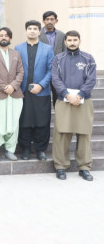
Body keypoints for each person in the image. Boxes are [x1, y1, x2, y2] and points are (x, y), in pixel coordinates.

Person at [52, 31, 97, 181]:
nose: (72, 42)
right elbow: (55, 78)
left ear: (79, 41)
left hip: (83, 100)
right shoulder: (58, 59)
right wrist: (66, 94)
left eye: (75, 40)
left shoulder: (88, 58)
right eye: (69, 40)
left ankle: (84, 167)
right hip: (64, 99)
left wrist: (80, 95)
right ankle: (60, 166)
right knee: (62, 134)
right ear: (65, 42)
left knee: (84, 134)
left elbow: (91, 79)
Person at [15, 20, 54, 161]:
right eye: (29, 28)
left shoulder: (47, 49)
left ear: (39, 31)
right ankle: (25, 148)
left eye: (35, 29)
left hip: (41, 91)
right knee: (24, 120)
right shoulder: (18, 48)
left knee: (42, 120)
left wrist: (41, 85)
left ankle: (40, 149)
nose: (32, 31)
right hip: (23, 91)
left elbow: (51, 70)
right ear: (26, 31)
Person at [0, 27, 24, 162]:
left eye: (6, 35)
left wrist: (12, 86)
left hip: (15, 93)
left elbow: (21, 72)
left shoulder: (16, 54)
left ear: (10, 38)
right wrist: (4, 87)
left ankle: (10, 149)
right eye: (1, 35)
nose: (3, 37)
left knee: (13, 123)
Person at [39, 10, 66, 106]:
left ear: (56, 21)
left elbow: (65, 52)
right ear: (43, 21)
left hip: (58, 71)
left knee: (58, 97)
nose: (49, 21)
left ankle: (59, 118)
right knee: (42, 97)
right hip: (42, 71)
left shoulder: (62, 35)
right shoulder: (37, 35)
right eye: (47, 19)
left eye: (52, 19)